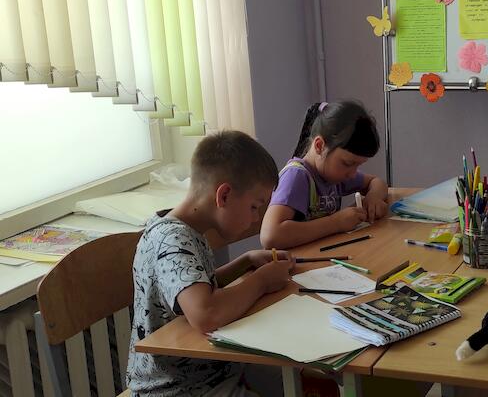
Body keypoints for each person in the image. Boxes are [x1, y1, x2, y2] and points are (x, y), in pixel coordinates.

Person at [127, 131, 296, 397]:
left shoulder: (186, 231)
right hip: (174, 389)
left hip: (213, 370)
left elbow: (197, 286)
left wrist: (245, 262)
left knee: (302, 379)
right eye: (255, 207)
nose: (256, 218)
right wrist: (262, 281)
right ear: (224, 195)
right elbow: (205, 313)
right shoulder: (171, 240)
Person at [260, 101, 388, 248]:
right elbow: (270, 236)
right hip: (300, 260)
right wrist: (336, 223)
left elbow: (377, 182)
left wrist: (373, 198)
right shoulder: (296, 177)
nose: (353, 174)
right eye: (348, 163)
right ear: (320, 146)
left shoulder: (334, 175)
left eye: (358, 165)